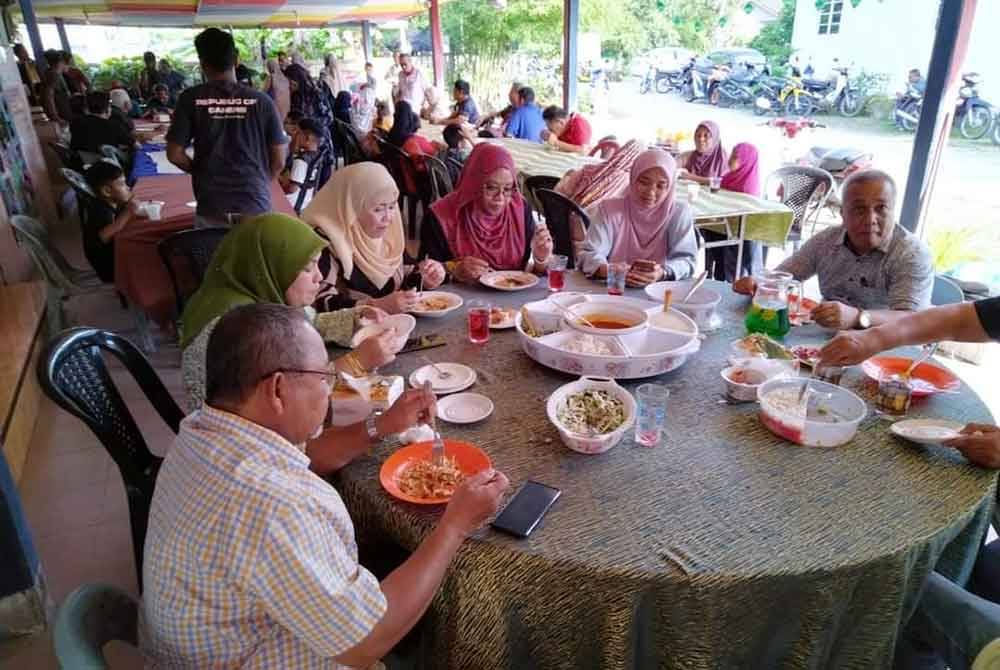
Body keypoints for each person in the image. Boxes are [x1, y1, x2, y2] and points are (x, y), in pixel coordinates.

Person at [142, 301, 509, 668]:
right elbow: (365, 641)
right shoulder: (274, 503)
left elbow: (307, 454)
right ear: (278, 389)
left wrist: (384, 424)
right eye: (323, 378)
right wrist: (454, 526)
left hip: (217, 636)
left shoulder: (209, 429)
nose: (328, 390)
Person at [179, 213, 396, 410]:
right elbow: (282, 403)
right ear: (272, 266)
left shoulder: (262, 295)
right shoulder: (237, 328)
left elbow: (310, 320)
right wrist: (355, 363)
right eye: (307, 268)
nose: (319, 278)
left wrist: (356, 319)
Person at [733, 170, 934, 329]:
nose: (871, 219)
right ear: (842, 214)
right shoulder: (826, 241)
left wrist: (859, 317)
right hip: (825, 339)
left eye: (881, 208)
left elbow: (912, 320)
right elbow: (785, 276)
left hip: (887, 350)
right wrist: (759, 283)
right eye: (859, 209)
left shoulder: (911, 253)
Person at [166, 28, 287, 228]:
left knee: (214, 257)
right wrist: (259, 182)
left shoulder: (190, 99)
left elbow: (174, 154)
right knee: (254, 258)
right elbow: (279, 160)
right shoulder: (262, 101)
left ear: (202, 64)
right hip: (254, 202)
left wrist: (201, 172)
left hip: (212, 202)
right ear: (236, 60)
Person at [303, 162, 446, 313]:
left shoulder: (387, 233)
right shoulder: (325, 240)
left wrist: (425, 276)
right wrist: (373, 307)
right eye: (378, 209)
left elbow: (403, 277)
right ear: (351, 208)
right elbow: (317, 303)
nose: (388, 218)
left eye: (391, 207)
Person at [420, 143, 553, 282]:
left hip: (511, 300)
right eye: (491, 187)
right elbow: (423, 277)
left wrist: (541, 259)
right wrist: (453, 270)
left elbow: (528, 276)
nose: (500, 198)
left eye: (507, 189)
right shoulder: (441, 216)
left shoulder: (519, 209)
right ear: (473, 184)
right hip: (459, 299)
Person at [577, 148, 697, 285]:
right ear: (633, 179)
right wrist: (612, 271)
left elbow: (687, 260)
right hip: (613, 290)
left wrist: (662, 272)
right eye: (644, 182)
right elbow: (588, 254)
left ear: (670, 188)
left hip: (660, 295)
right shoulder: (609, 210)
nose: (651, 192)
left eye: (660, 186)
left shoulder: (678, 213)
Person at [705, 142, 763, 281]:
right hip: (724, 225)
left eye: (736, 157)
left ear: (746, 161)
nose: (730, 159)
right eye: (732, 155)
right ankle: (716, 273)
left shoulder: (747, 186)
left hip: (740, 232)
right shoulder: (730, 177)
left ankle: (730, 277)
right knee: (709, 229)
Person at [80, 160, 145, 283]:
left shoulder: (112, 204)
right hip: (109, 267)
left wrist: (129, 206)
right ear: (107, 191)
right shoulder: (100, 210)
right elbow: (103, 236)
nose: (128, 187)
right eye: (122, 184)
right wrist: (128, 213)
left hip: (114, 256)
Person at [388, 100, 443, 194]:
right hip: (417, 182)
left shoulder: (392, 136)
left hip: (402, 179)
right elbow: (420, 166)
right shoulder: (410, 142)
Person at [279, 118, 325, 210]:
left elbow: (292, 188)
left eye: (297, 133)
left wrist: (279, 184)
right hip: (305, 204)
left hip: (290, 206)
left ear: (307, 138)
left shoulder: (301, 160)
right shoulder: (317, 157)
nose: (293, 135)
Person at [70, 90, 134, 154]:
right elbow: (135, 145)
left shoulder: (75, 123)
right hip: (108, 162)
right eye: (110, 104)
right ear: (107, 108)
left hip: (81, 161)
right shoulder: (114, 126)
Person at [678, 120, 728, 185]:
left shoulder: (723, 159)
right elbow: (671, 167)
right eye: (698, 135)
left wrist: (689, 176)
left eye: (706, 136)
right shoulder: (687, 156)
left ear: (715, 139)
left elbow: (723, 182)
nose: (701, 139)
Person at [40, 49, 73, 126]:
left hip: (63, 113)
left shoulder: (51, 73)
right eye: (67, 63)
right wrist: (55, 117)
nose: (69, 66)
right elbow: (48, 97)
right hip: (61, 115)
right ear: (61, 61)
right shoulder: (54, 75)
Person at [285, 52, 316, 117]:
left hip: (296, 101)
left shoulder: (290, 69)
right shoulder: (305, 71)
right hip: (307, 104)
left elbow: (293, 86)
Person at [263, 57, 291, 123]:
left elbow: (264, 91)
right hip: (286, 105)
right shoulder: (284, 77)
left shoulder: (270, 77)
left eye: (268, 66)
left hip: (274, 105)